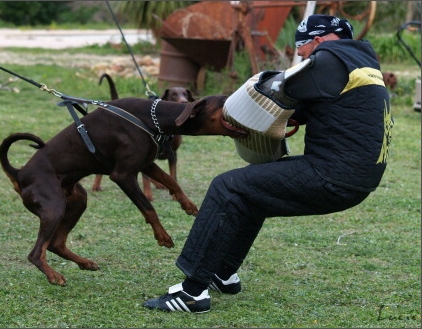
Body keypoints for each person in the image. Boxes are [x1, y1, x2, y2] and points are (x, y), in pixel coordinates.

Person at [143, 14, 393, 313]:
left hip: (332, 175)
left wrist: (237, 107)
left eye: (301, 48)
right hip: (356, 179)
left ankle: (191, 293)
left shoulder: (330, 57)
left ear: (317, 40)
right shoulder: (360, 64)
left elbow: (271, 89)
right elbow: (320, 108)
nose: (299, 55)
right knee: (250, 193)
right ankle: (223, 273)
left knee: (226, 186)